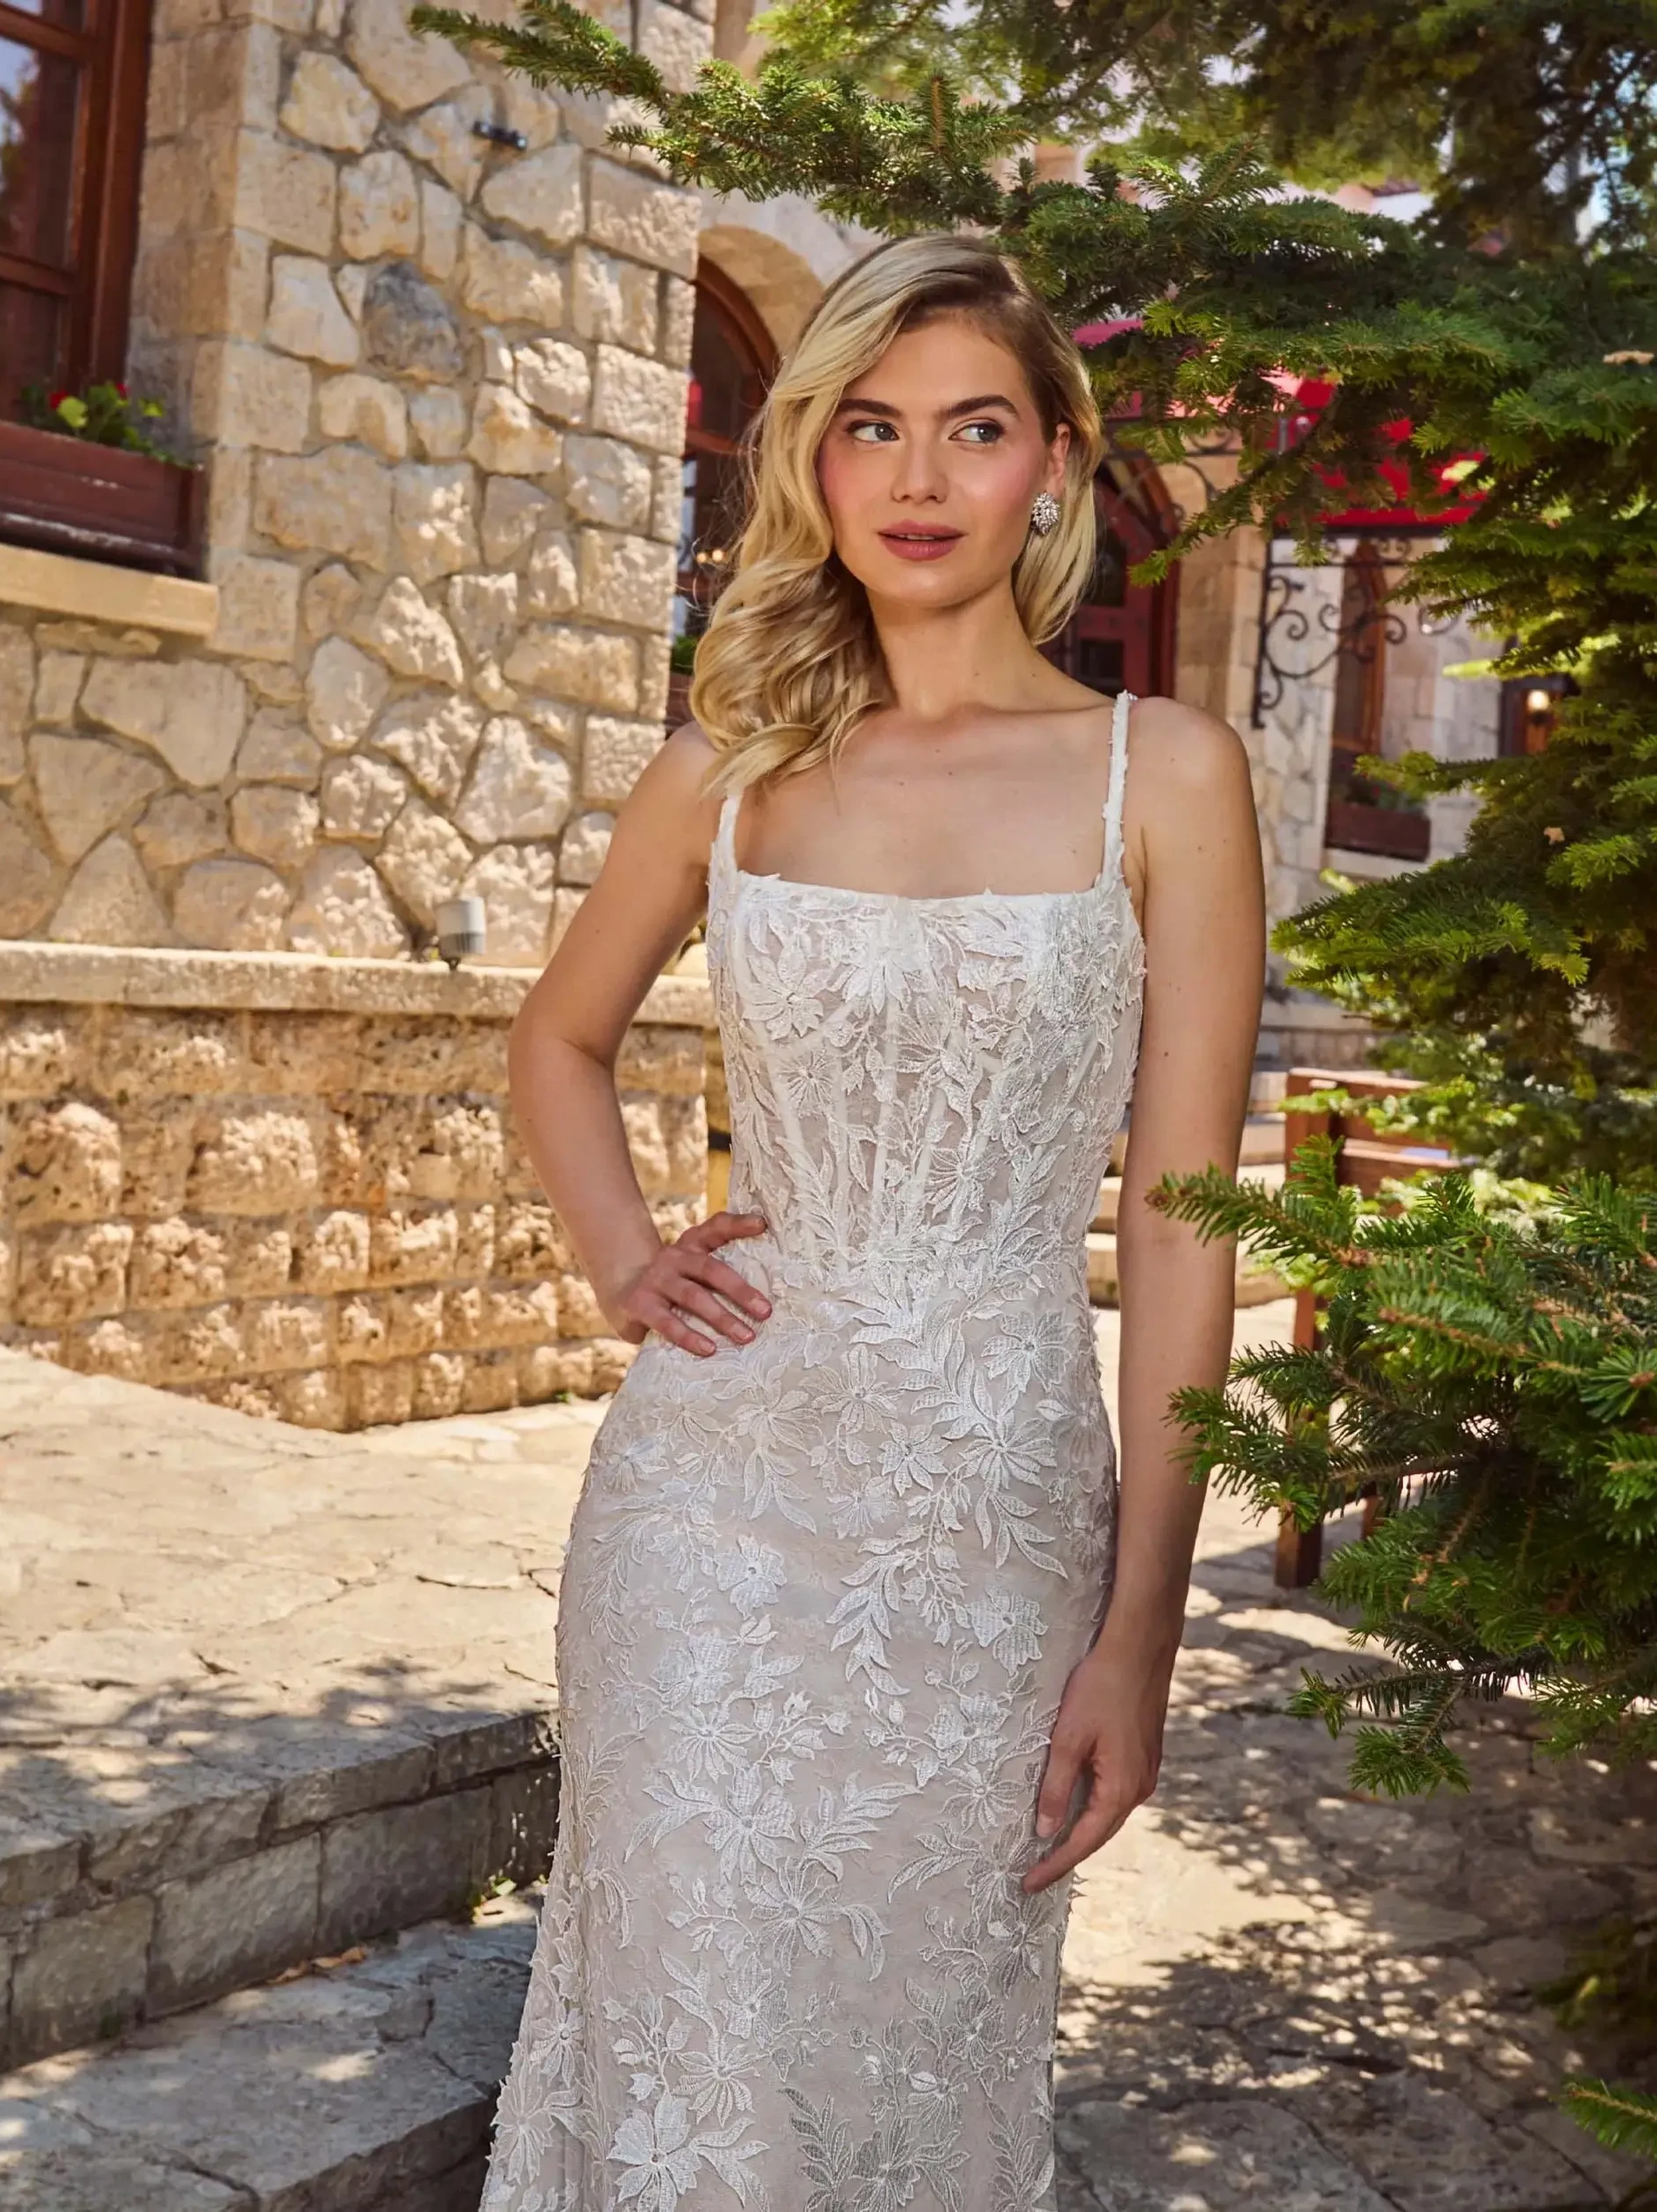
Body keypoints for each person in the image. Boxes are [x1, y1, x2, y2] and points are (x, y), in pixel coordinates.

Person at [484, 231, 1265, 2211]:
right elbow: (557, 1043)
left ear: (1057, 465)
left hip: (991, 1527)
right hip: (706, 1512)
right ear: (813, 466)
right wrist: (623, 1256)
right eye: (868, 430)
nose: (917, 482)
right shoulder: (729, 771)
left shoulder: (1158, 776)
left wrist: (1138, 1634)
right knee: (691, 2049)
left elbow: (1180, 1229)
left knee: (913, 2047)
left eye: (974, 430)